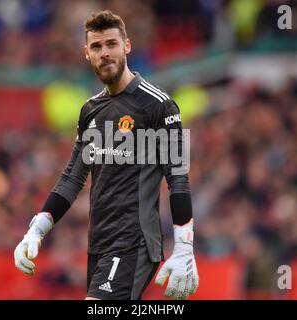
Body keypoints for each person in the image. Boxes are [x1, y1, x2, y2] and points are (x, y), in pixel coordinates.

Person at [14, 10, 199, 300]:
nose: (105, 53)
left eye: (112, 44)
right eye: (97, 47)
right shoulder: (90, 110)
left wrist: (184, 247)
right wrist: (37, 229)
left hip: (135, 242)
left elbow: (178, 179)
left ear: (127, 46)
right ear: (86, 53)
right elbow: (72, 178)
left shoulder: (158, 105)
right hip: (98, 244)